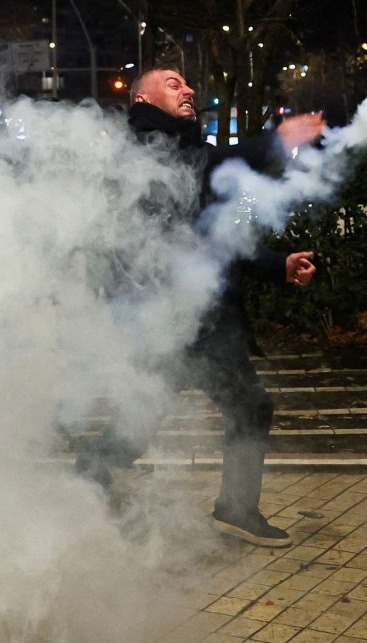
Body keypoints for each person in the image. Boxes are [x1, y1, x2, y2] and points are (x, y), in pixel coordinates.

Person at [75, 67, 321, 548]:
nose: (187, 89)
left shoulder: (197, 153)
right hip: (167, 320)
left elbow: (226, 235)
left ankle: (230, 507)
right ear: (144, 98)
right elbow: (203, 166)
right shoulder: (144, 146)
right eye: (173, 83)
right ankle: (84, 487)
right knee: (147, 421)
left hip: (203, 320)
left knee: (238, 409)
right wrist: (276, 142)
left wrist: (279, 265)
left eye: (187, 84)